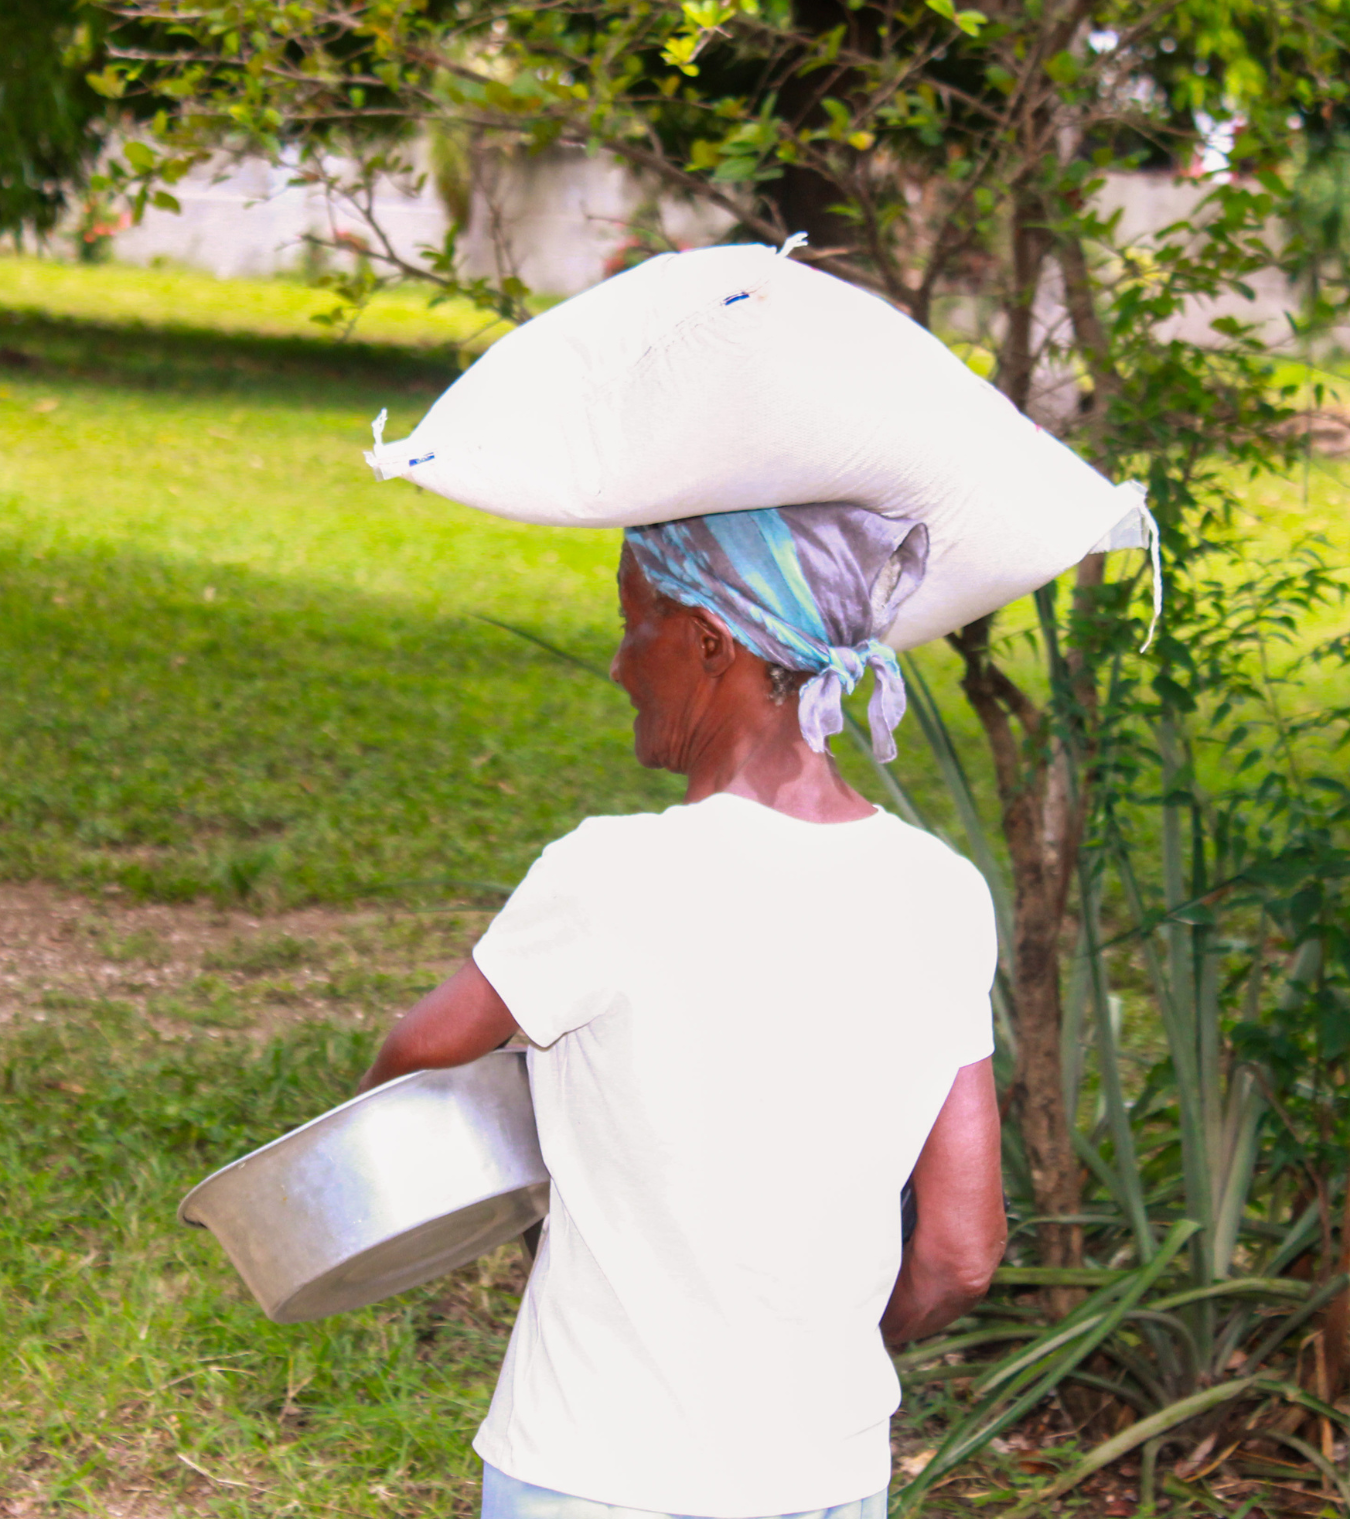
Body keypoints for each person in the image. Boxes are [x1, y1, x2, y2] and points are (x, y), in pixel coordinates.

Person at [359, 502, 1007, 1519]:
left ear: (710, 640)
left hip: (598, 1467)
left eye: (634, 623)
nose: (620, 664)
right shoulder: (943, 891)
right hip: (825, 1478)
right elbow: (961, 1249)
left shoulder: (611, 875)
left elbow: (414, 1058)